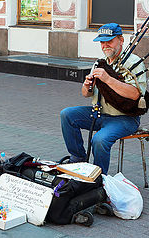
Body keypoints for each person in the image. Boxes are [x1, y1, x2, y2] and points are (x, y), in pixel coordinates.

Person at [60, 23, 147, 175]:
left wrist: (108, 79)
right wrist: (87, 85)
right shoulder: (100, 62)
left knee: (99, 140)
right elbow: (86, 94)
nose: (105, 45)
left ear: (121, 40)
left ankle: (99, 178)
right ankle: (78, 159)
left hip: (124, 119)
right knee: (67, 114)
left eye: (109, 40)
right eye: (102, 41)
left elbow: (135, 95)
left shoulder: (134, 63)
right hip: (99, 114)